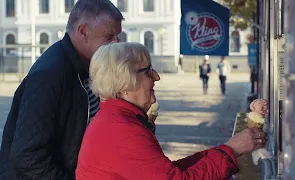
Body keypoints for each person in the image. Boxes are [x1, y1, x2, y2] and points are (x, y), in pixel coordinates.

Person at [76, 42, 268, 180]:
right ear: (124, 83)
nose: (157, 77)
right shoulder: (122, 130)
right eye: (148, 71)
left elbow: (167, 171)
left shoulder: (117, 119)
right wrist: (232, 149)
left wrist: (229, 149)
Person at [0, 0, 123, 179]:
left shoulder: (86, 66)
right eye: (109, 36)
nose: (116, 43)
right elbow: (27, 154)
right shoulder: (50, 74)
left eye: (118, 36)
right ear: (83, 31)